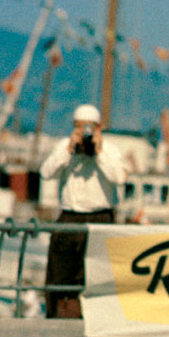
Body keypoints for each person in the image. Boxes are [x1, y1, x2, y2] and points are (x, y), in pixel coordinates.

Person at [40, 104, 128, 318]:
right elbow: (45, 172)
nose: (86, 133)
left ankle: (101, 316)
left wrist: (98, 153)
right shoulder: (64, 147)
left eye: (90, 128)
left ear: (99, 128)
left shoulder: (110, 150)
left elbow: (120, 177)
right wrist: (69, 149)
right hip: (70, 217)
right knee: (60, 273)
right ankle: (58, 314)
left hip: (101, 217)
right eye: (80, 128)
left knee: (100, 274)